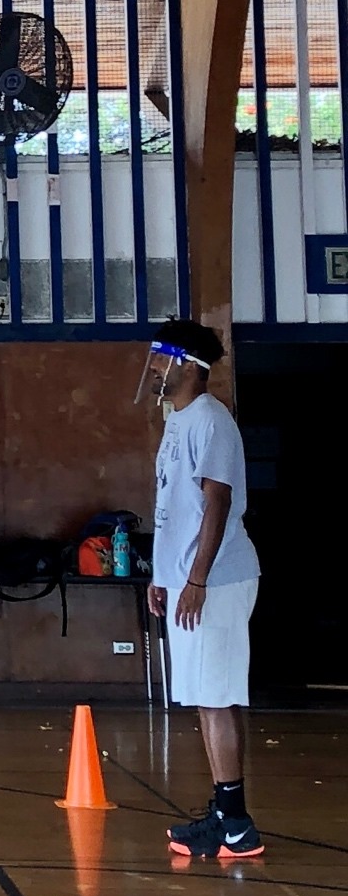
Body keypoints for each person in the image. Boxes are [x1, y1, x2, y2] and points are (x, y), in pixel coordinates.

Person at [139, 321, 263, 858]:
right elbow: (175, 507)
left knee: (216, 697)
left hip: (217, 582)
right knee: (207, 698)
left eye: (160, 358)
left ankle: (236, 826)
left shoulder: (212, 421)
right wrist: (162, 576)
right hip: (187, 581)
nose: (152, 368)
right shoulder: (178, 421)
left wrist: (195, 579)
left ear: (187, 365)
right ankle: (224, 810)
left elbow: (217, 502)